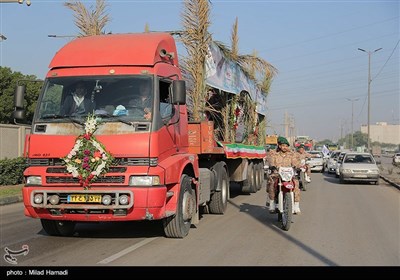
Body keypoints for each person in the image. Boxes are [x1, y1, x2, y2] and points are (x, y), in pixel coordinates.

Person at [266, 136, 302, 214]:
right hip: (277, 174)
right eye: (283, 145)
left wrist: (298, 166)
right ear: (279, 146)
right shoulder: (275, 154)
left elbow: (295, 162)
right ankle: (272, 203)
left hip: (289, 175)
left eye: (286, 146)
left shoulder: (291, 155)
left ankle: (296, 205)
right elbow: (271, 160)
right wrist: (272, 166)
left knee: (296, 184)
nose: (285, 147)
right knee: (271, 183)